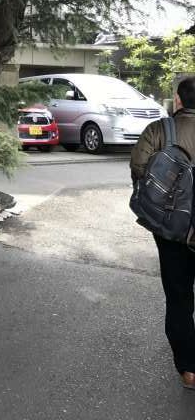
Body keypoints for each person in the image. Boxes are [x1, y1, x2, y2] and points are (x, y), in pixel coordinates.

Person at [131, 76, 195, 390]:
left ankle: (189, 369)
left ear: (179, 100)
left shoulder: (159, 130)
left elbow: (139, 169)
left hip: (171, 230)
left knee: (179, 297)